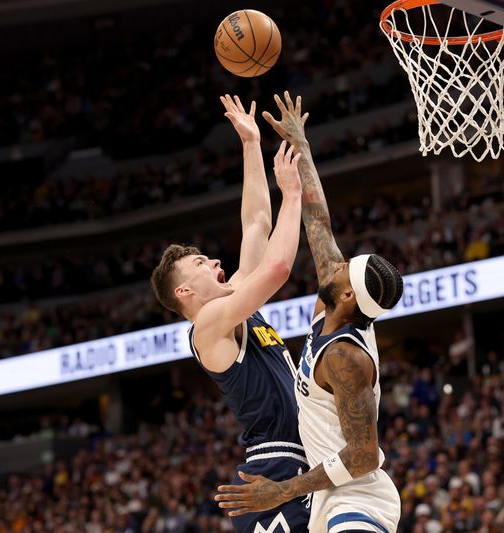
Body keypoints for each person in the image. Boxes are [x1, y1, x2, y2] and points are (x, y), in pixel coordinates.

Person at [216, 92, 404, 533]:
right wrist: (301, 147)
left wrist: (280, 492)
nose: (336, 265)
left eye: (343, 271)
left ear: (349, 298)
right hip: (329, 499)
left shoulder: (346, 357)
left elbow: (364, 455)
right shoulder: (331, 307)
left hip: (358, 499)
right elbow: (319, 223)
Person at [150, 95, 308, 533]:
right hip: (275, 466)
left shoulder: (233, 303)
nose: (216, 263)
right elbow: (277, 268)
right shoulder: (208, 326)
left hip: (305, 459)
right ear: (183, 291)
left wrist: (250, 144)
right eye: (202, 264)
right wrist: (292, 196)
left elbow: (257, 222)